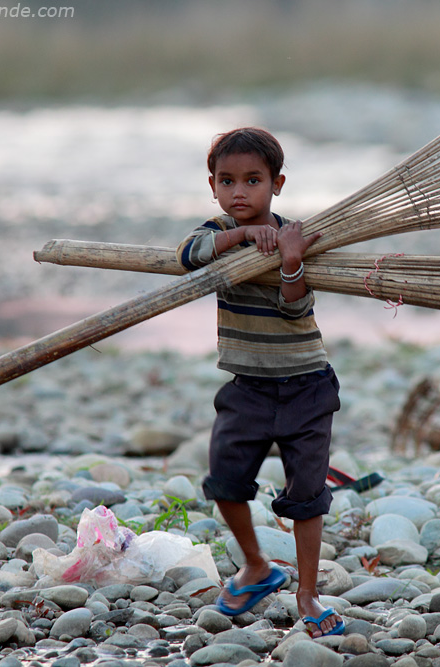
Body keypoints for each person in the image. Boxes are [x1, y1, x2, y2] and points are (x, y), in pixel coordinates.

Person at [175, 127, 345, 638]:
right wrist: (244, 236)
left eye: (253, 180)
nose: (240, 192)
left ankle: (308, 593)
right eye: (228, 182)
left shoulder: (296, 234)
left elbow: (298, 308)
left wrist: (290, 261)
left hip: (306, 386)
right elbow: (187, 253)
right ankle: (256, 566)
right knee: (224, 482)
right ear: (213, 186)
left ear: (277, 183)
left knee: (306, 496)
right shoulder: (219, 231)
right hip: (246, 387)